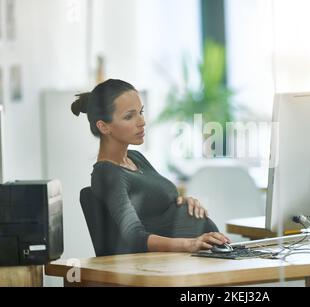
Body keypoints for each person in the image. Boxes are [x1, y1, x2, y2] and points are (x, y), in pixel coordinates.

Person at [71, 79, 230, 254]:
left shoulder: (135, 157)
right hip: (177, 264)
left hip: (206, 254)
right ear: (103, 126)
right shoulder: (107, 173)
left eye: (141, 112)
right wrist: (190, 244)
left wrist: (184, 203)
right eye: (129, 116)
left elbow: (158, 211)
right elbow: (134, 236)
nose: (142, 122)